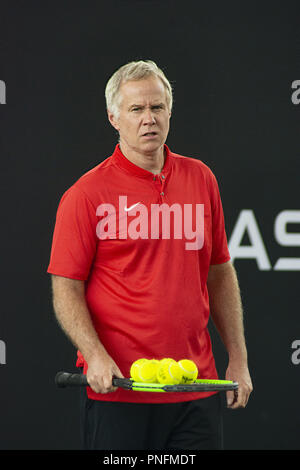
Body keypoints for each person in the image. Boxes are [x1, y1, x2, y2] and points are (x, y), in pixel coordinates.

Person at [47, 60, 252, 450]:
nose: (148, 119)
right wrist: (95, 356)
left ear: (170, 112)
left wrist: (238, 360)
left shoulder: (201, 178)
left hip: (195, 387)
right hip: (120, 390)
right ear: (113, 117)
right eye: (136, 109)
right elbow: (66, 288)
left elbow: (220, 272)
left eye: (157, 107)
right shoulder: (86, 195)